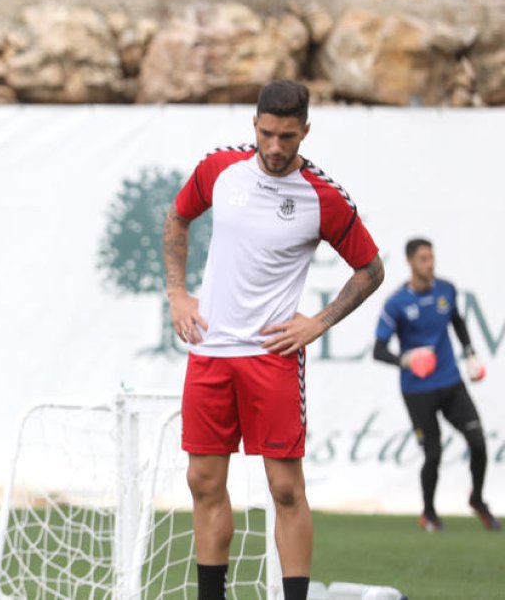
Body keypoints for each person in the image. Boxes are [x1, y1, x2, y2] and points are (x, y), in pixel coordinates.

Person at [163, 80, 384, 600]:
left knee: (285, 490)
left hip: (273, 357)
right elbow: (178, 218)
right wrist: (177, 293)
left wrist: (320, 321)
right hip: (211, 351)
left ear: (305, 130)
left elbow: (370, 269)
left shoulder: (322, 197)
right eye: (267, 134)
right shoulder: (220, 169)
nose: (277, 147)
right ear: (255, 126)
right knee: (203, 483)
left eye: (288, 136)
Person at [373, 238, 499, 533]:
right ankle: (429, 513)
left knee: (478, 442)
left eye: (431, 258)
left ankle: (478, 500)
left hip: (451, 382)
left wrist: (469, 352)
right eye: (423, 259)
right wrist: (406, 360)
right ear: (410, 262)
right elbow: (379, 350)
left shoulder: (446, 290)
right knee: (433, 452)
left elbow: (456, 320)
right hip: (417, 390)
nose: (429, 264)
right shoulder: (397, 303)